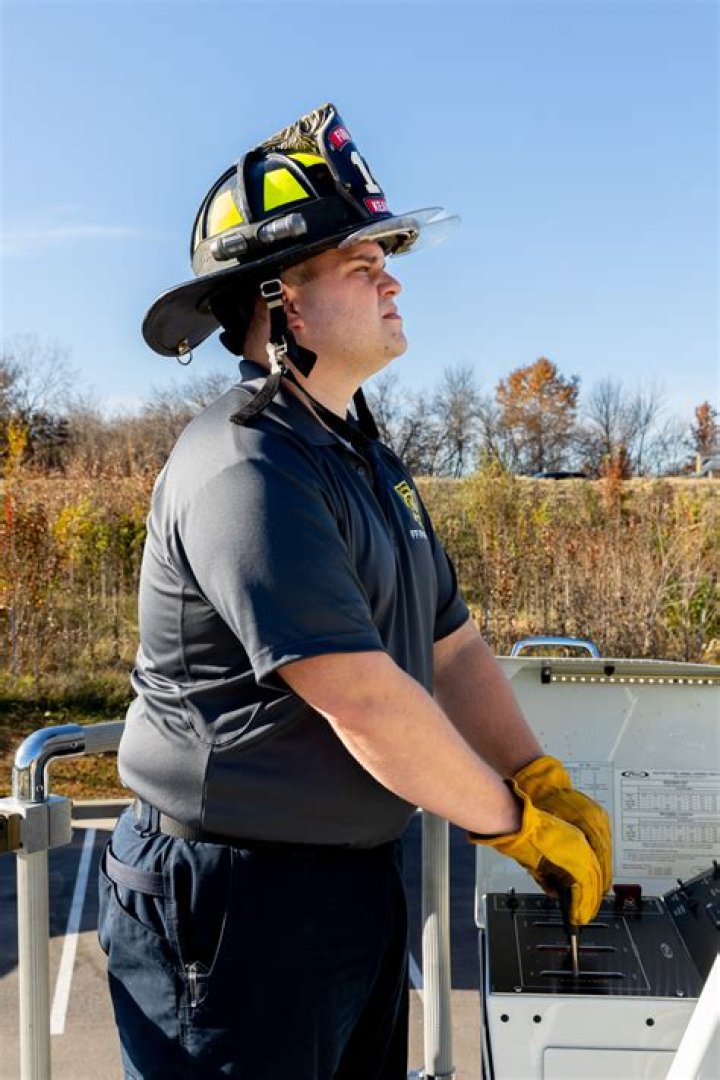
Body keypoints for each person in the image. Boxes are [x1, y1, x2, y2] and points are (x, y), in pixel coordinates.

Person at [99, 103, 611, 1079]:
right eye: (361, 262)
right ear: (282, 296)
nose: (392, 278)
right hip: (229, 907)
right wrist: (512, 824)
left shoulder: (365, 461)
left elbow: (450, 647)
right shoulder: (246, 466)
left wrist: (538, 778)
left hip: (346, 886)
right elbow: (367, 699)